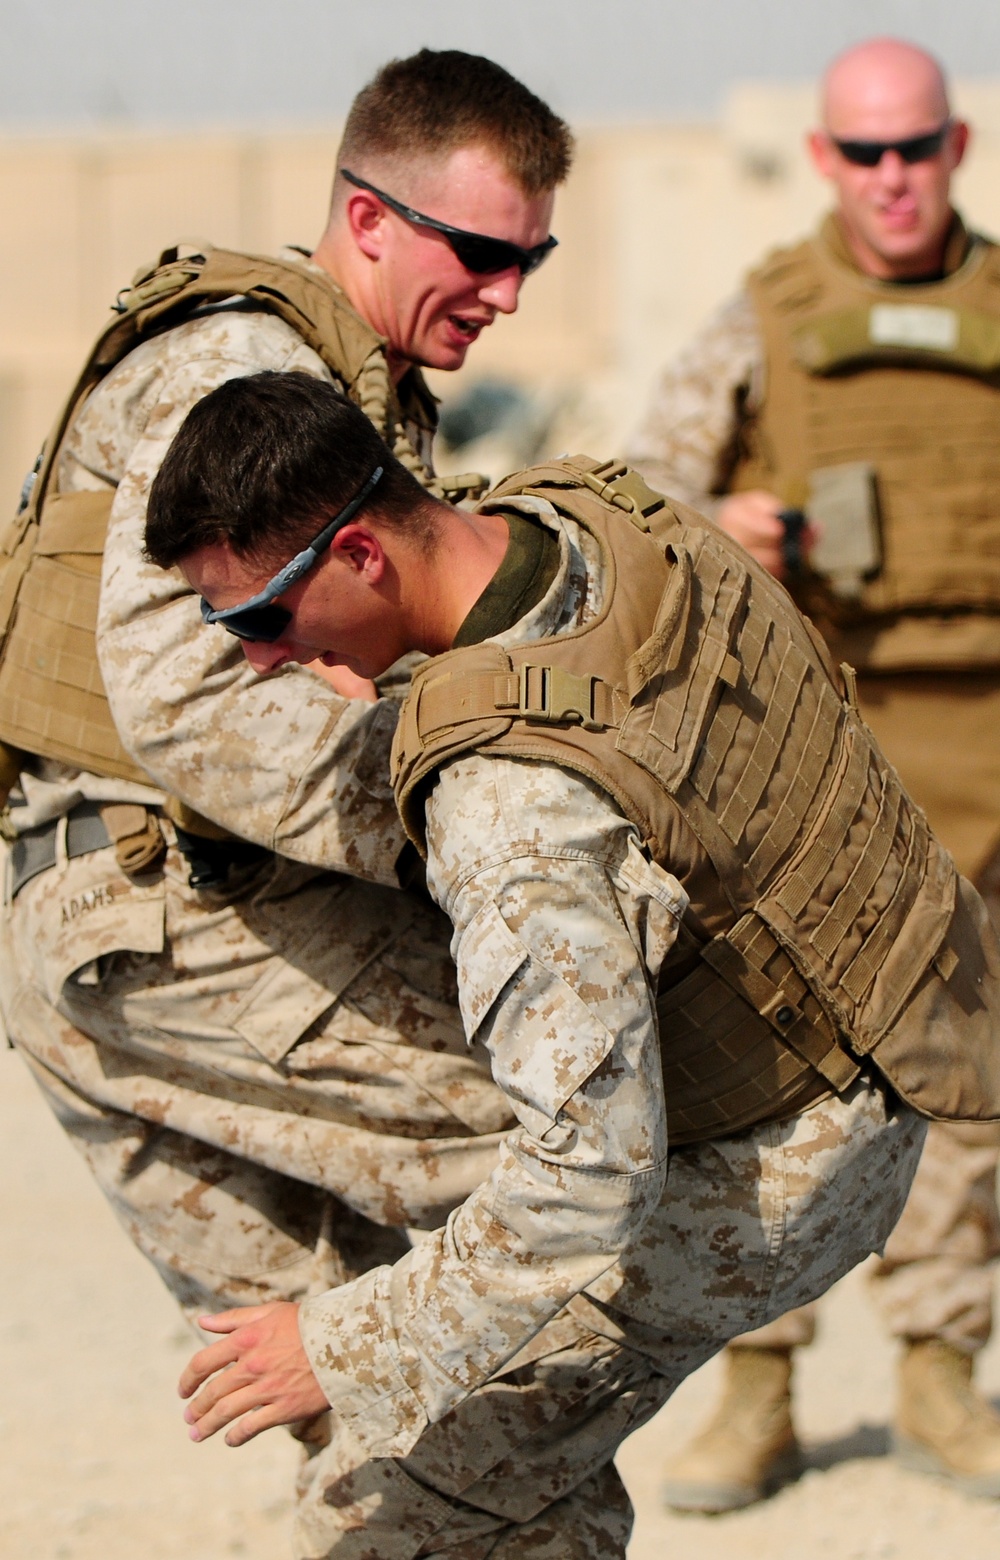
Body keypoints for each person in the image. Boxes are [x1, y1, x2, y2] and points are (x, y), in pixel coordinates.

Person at [141, 367, 1000, 1558]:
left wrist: (336, 1346)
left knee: (399, 1497)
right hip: (888, 1030)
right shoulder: (608, 516)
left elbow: (586, 1180)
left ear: (360, 555)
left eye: (258, 618)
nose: (255, 662)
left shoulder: (506, 801)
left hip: (785, 1169)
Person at [0, 49, 570, 1365]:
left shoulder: (309, 366)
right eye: (481, 251)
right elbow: (194, 706)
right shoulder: (257, 387)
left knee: (334, 1370)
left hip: (108, 926)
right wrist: (481, 843)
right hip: (187, 922)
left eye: (530, 260)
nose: (505, 296)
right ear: (368, 216)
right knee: (582, 1160)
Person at [626, 35, 1000, 1506]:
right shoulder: (764, 316)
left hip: (987, 759)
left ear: (956, 148)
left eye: (918, 148)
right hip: (824, 767)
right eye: (866, 151)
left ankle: (940, 1375)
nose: (894, 177)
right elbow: (641, 489)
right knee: (781, 1088)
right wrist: (731, 518)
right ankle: (760, 1389)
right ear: (828, 159)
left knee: (971, 1087)